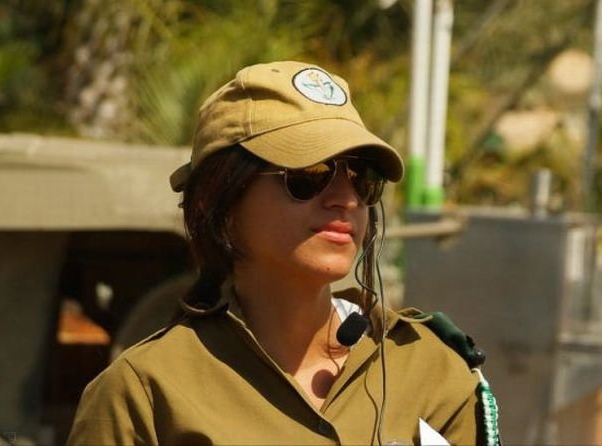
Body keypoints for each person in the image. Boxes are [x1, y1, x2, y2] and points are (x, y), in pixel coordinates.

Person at [67, 60, 500, 445]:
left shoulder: (432, 372)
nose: (345, 199)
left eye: (361, 177)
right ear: (218, 201)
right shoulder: (144, 393)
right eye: (308, 175)